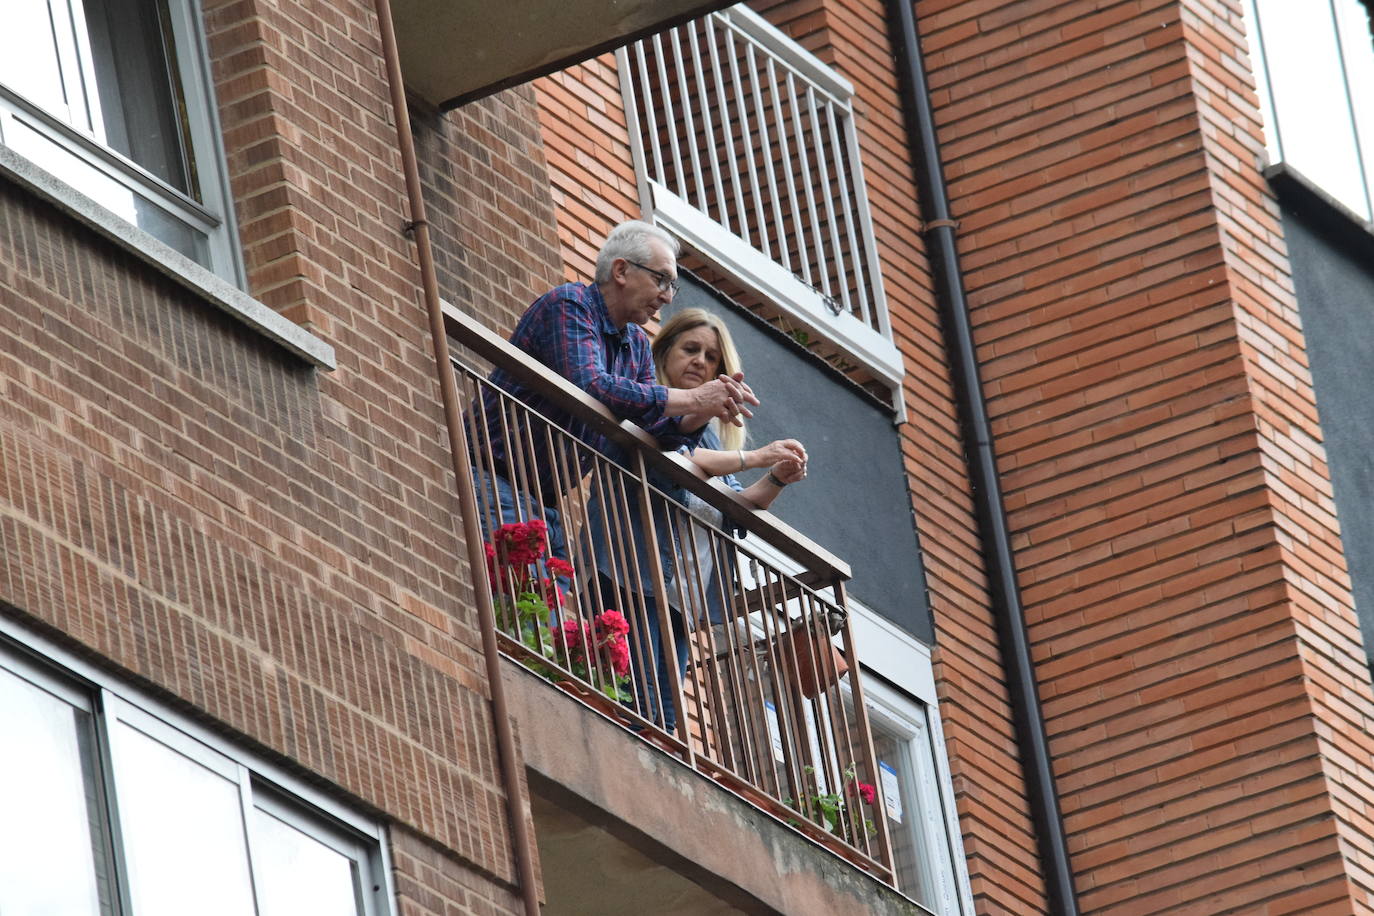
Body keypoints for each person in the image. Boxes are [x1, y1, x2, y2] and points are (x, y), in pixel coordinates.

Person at [468, 221, 760, 572]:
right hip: (492, 479)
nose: (667, 296)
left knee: (545, 616)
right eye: (661, 280)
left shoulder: (635, 345)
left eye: (672, 286)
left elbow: (659, 430)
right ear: (621, 270)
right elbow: (592, 384)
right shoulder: (571, 305)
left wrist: (705, 408)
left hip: (543, 502)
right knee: (526, 614)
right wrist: (695, 399)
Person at [589, 307, 807, 734]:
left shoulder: (711, 438)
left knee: (666, 721)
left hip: (679, 598)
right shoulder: (648, 399)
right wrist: (756, 456)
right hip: (632, 576)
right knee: (638, 704)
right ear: (665, 352)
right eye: (691, 349)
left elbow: (735, 507)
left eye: (712, 358)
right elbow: (680, 459)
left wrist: (776, 477)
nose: (701, 363)